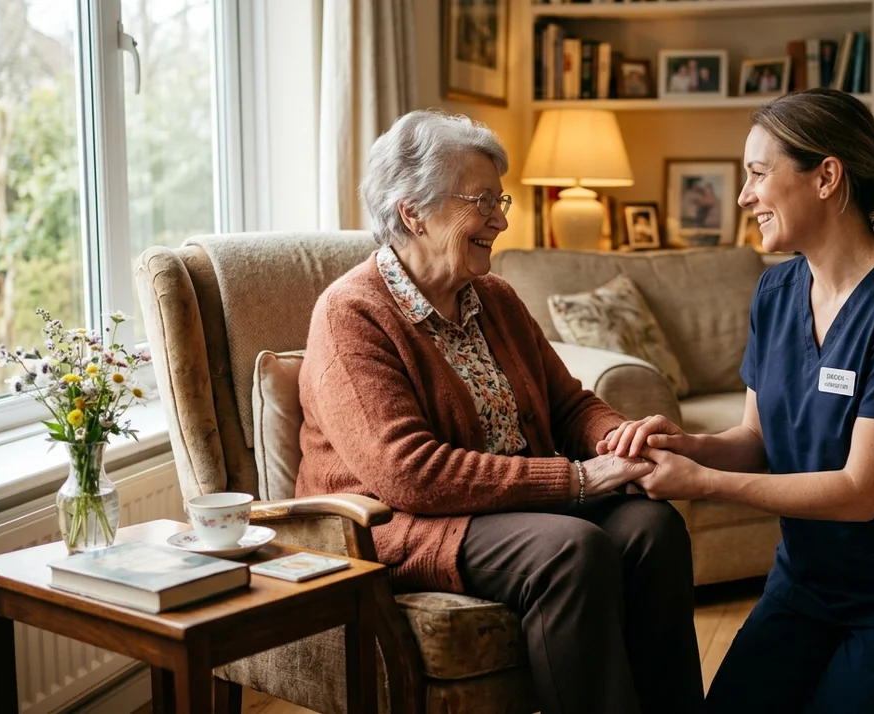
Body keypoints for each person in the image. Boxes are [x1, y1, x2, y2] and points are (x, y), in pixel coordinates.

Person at [601, 89, 874, 714]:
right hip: (806, 583)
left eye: (756, 174)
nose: (745, 195)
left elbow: (861, 490)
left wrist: (701, 482)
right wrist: (682, 444)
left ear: (827, 176)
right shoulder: (775, 291)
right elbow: (754, 441)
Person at [295, 109, 704, 714]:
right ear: (413, 211)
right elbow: (408, 472)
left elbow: (568, 403)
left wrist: (621, 439)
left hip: (511, 505)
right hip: (401, 521)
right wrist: (579, 479)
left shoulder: (495, 297)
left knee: (652, 527)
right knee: (571, 549)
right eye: (482, 200)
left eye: (500, 198)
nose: (502, 218)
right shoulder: (351, 314)